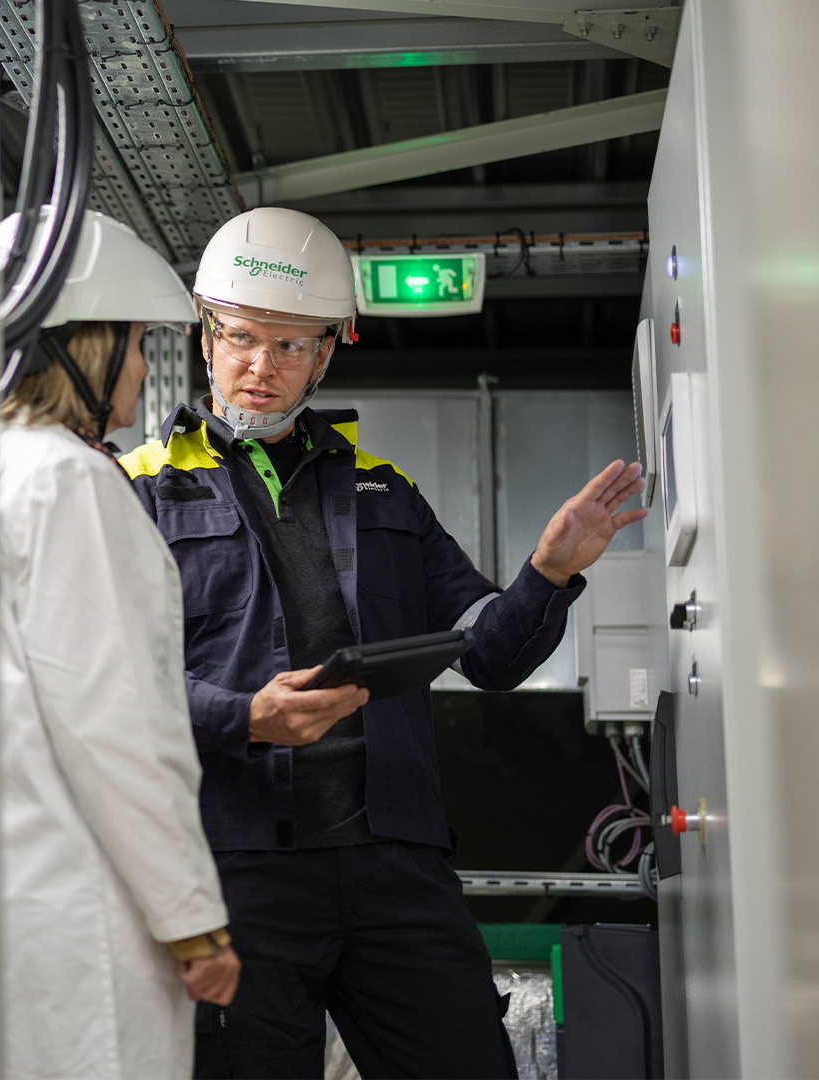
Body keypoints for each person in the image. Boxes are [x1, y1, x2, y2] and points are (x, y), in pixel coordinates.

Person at [119, 207, 648, 1079]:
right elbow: (113, 689)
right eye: (244, 338)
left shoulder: (384, 489)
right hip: (235, 865)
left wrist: (548, 573)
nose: (262, 367)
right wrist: (243, 716)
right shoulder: (137, 490)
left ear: (326, 353)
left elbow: (489, 654)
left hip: (394, 865)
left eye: (292, 347)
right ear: (207, 335)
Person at [0, 208, 242, 1080]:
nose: (142, 369)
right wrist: (193, 920)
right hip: (83, 914)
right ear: (83, 348)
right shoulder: (69, 481)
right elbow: (120, 726)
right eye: (135, 343)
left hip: (3, 906)